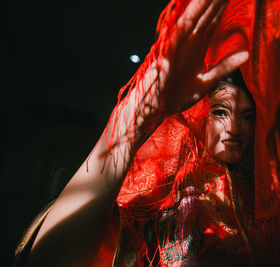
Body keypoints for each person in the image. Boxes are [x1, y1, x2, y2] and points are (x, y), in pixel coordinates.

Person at [15, 0, 252, 266]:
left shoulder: (270, 191)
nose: (234, 127)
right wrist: (132, 121)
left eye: (247, 116)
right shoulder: (165, 179)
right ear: (201, 116)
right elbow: (51, 260)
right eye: (220, 112)